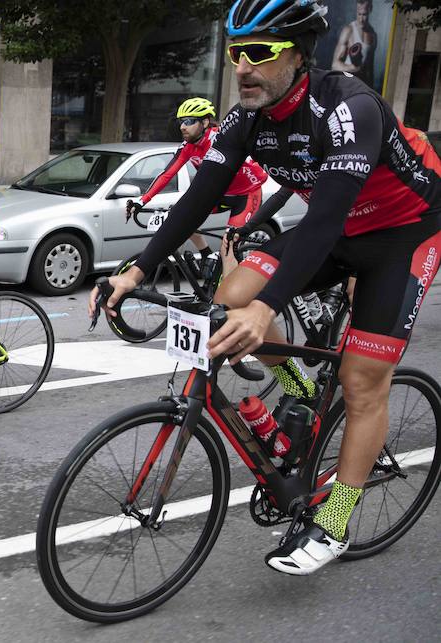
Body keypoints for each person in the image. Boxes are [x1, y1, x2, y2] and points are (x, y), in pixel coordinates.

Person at [91, 0, 441, 575]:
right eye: (235, 54)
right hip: (341, 229)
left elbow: (324, 219)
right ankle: (297, 384)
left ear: (298, 57)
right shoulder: (245, 118)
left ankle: (334, 525)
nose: (243, 67)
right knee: (230, 295)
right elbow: (198, 198)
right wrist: (135, 269)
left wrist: (268, 307)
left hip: (401, 237)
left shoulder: (349, 108)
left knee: (361, 383)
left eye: (259, 53)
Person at [133, 97, 267, 257]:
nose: (182, 127)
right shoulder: (188, 146)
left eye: (189, 121)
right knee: (183, 217)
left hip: (246, 194)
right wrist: (142, 200)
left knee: (229, 247)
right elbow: (167, 174)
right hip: (219, 193)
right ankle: (206, 254)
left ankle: (230, 275)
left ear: (204, 123)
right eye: (181, 122)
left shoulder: (221, 139)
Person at [331, 0, 377, 88]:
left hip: (360, 85)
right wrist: (353, 68)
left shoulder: (373, 35)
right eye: (359, 14)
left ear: (370, 10)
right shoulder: (348, 30)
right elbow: (334, 65)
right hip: (345, 83)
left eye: (364, 15)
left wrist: (370, 91)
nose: (361, 19)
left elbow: (370, 69)